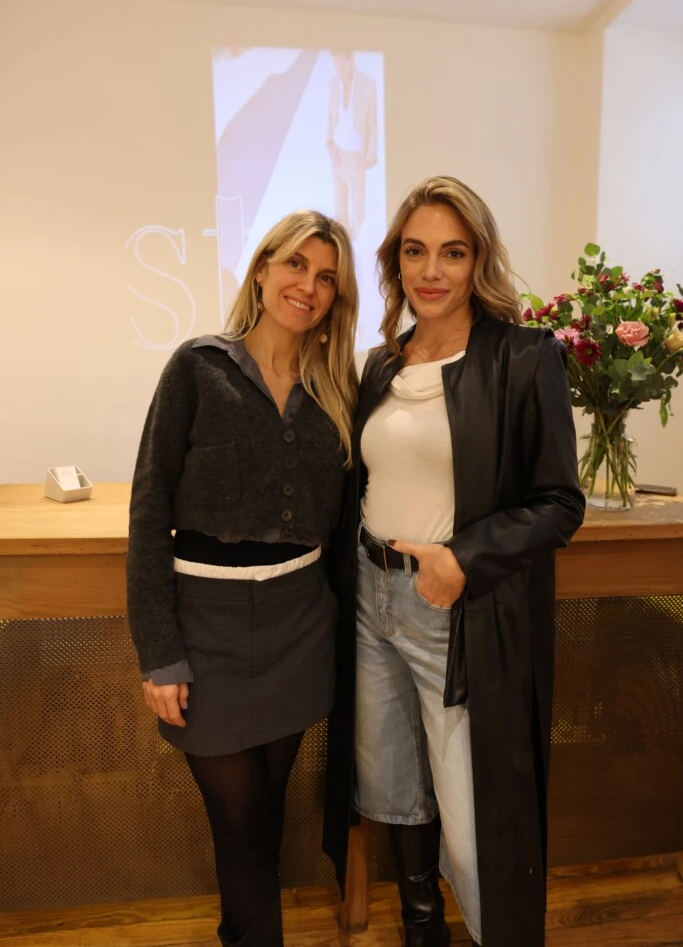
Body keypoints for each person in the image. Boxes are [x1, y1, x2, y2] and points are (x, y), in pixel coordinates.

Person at [323, 176, 585, 947]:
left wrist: (463, 558)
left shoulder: (523, 358)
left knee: (473, 825)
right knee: (392, 788)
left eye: (452, 252)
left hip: (453, 612)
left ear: (478, 261)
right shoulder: (380, 366)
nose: (430, 271)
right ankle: (421, 931)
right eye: (414, 252)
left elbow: (558, 503)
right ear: (394, 262)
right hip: (370, 602)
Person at [126, 210, 358, 947]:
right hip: (206, 626)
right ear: (261, 270)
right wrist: (159, 651)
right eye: (295, 265)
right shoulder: (198, 367)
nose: (308, 286)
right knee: (235, 814)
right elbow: (148, 511)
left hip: (300, 624)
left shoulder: (337, 390)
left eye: (326, 278)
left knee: (267, 809)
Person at [327, 51, 378, 240]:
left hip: (357, 157)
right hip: (337, 155)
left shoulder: (367, 84)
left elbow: (372, 123)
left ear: (350, 59)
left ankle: (358, 252)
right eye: (335, 66)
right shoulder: (334, 84)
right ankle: (341, 252)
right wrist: (330, 145)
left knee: (358, 214)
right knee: (339, 214)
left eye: (341, 65)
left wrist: (369, 158)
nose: (339, 70)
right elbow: (330, 118)